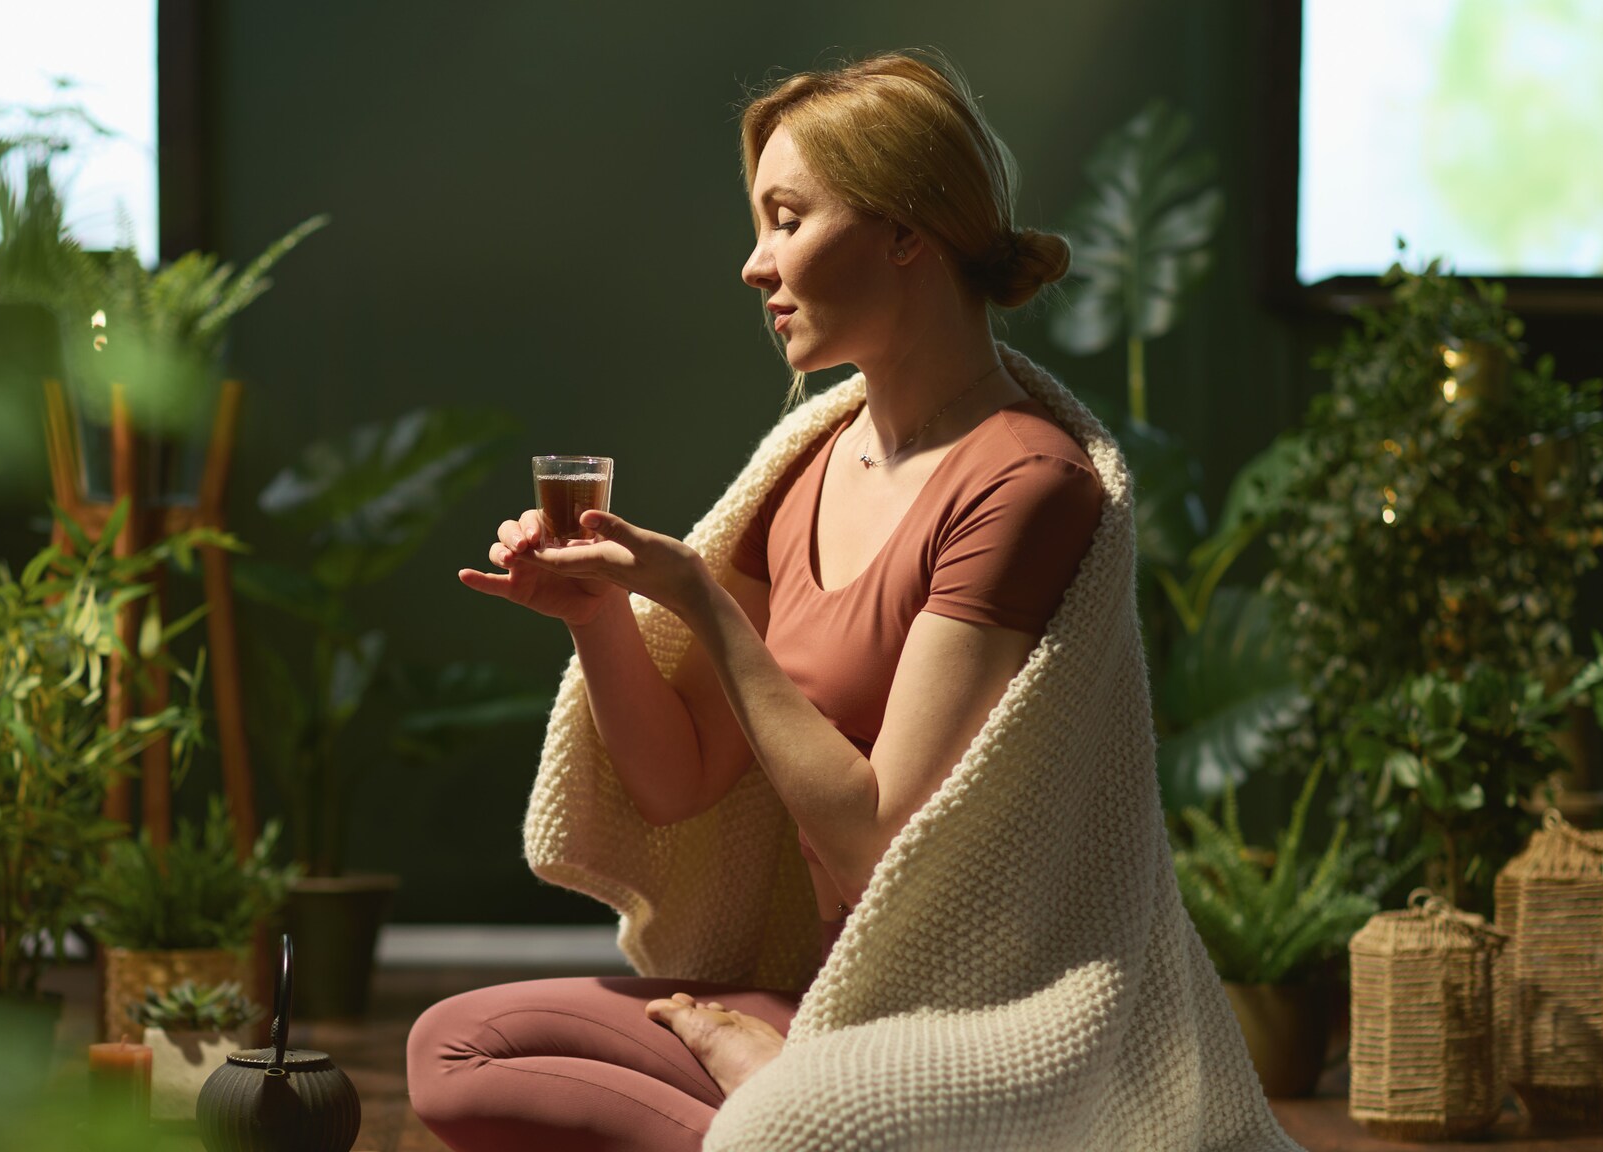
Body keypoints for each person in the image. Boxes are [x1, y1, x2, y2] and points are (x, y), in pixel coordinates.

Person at [408, 50, 1297, 1152]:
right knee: (454, 1047)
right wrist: (597, 620)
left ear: (904, 232)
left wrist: (698, 599)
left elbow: (878, 843)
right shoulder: (806, 468)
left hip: (981, 1021)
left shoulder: (1025, 483)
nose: (754, 265)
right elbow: (679, 782)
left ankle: (777, 1106)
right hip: (832, 996)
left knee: (784, 1133)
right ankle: (773, 1096)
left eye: (786, 221)